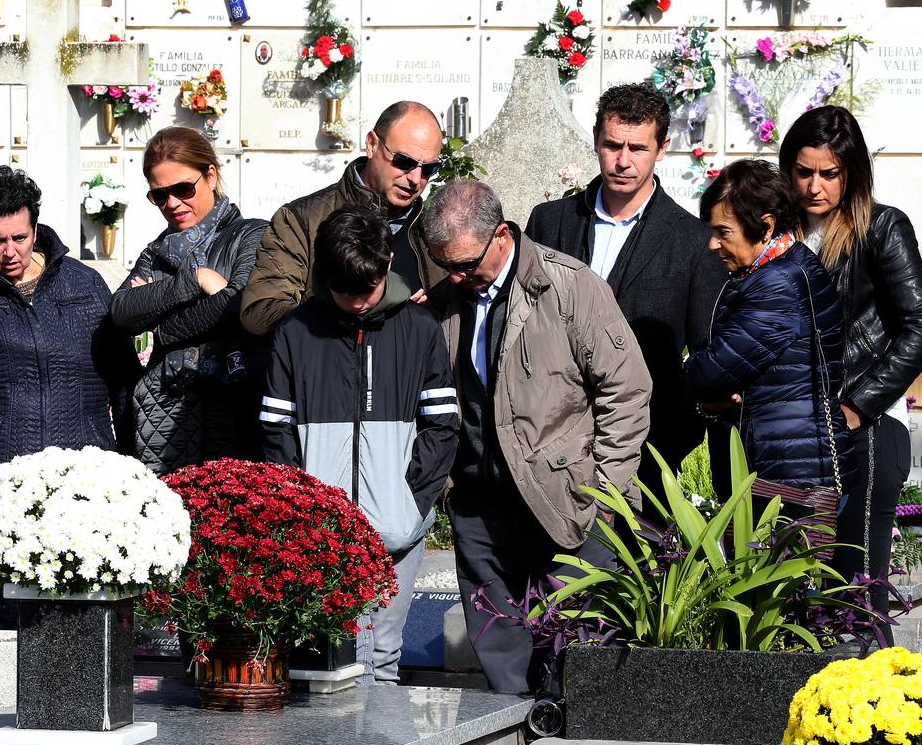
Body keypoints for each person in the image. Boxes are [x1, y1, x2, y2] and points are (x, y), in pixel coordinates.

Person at [426, 180, 651, 696]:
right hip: (480, 498)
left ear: (502, 235)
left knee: (575, 636)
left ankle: (569, 733)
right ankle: (507, 733)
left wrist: (607, 491)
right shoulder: (447, 298)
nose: (456, 276)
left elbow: (627, 389)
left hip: (568, 496)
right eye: (447, 266)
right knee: (494, 631)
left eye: (465, 264)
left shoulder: (570, 287)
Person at [0, 166, 139, 629]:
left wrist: (135, 468)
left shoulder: (86, 286)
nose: (9, 252)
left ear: (36, 228)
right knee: (11, 614)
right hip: (3, 484)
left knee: (87, 606)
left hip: (87, 477)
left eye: (19, 238)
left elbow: (125, 382)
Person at [260, 206, 457, 683]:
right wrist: (301, 510)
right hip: (317, 538)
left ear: (388, 263)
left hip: (397, 530)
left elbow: (443, 426)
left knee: (383, 659)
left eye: (366, 290)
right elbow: (275, 431)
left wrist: (410, 502)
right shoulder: (294, 333)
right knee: (321, 665)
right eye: (343, 291)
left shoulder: (420, 329)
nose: (356, 303)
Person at [525, 82, 727, 493]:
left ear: (662, 148)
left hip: (646, 451)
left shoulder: (693, 241)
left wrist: (673, 441)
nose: (623, 161)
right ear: (596, 141)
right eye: (612, 145)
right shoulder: (549, 222)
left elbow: (707, 352)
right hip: (547, 442)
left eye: (638, 149)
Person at [779, 106, 922, 612]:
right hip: (791, 431)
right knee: (789, 592)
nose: (814, 186)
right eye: (803, 172)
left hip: (863, 431)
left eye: (829, 174)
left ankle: (873, 691)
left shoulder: (882, 227)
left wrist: (858, 405)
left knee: (857, 589)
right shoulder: (773, 232)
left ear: (851, 173)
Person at [108, 126, 269, 473]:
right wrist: (192, 281)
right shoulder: (156, 252)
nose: (173, 204)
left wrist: (157, 332)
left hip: (231, 408)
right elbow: (121, 311)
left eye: (182, 189)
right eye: (159, 195)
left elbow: (234, 306)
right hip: (161, 415)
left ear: (210, 175)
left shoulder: (250, 235)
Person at [683, 160, 849, 495]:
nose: (712, 244)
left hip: (789, 480)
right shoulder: (785, 265)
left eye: (723, 232)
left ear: (766, 226)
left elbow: (711, 371)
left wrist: (691, 371)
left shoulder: (777, 284)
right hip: (790, 466)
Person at [240, 100, 450, 338]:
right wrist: (354, 312)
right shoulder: (301, 220)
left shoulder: (433, 230)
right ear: (372, 144)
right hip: (331, 370)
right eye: (404, 161)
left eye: (429, 169)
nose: (415, 178)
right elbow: (260, 313)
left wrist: (423, 318)